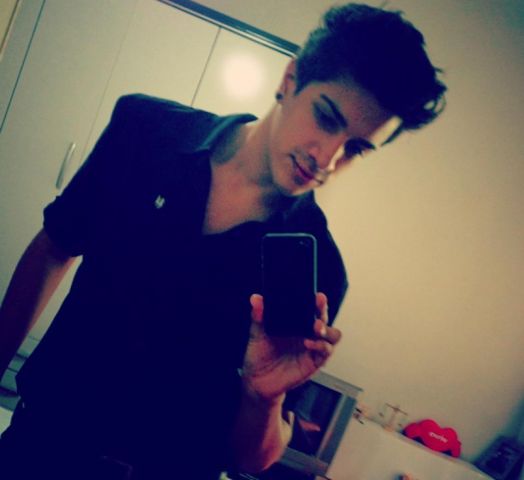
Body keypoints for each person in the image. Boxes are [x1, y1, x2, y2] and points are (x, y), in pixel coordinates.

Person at [0, 3, 446, 479]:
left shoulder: (321, 272)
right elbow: (53, 248)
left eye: (356, 148)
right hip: (37, 447)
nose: (329, 159)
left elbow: (251, 461)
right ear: (291, 79)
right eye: (326, 117)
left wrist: (263, 397)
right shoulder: (145, 131)